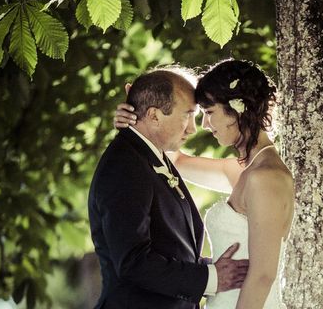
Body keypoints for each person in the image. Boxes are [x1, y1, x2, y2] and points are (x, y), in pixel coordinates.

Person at [114, 59, 294, 309]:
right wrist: (136, 115)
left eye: (209, 113)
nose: (204, 125)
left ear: (237, 110)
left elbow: (263, 276)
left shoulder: (265, 177)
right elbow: (173, 158)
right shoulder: (242, 171)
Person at [89, 66, 249, 309]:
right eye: (188, 115)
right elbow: (134, 262)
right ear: (154, 115)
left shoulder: (150, 156)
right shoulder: (125, 165)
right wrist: (211, 278)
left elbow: (171, 250)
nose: (193, 129)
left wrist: (215, 271)